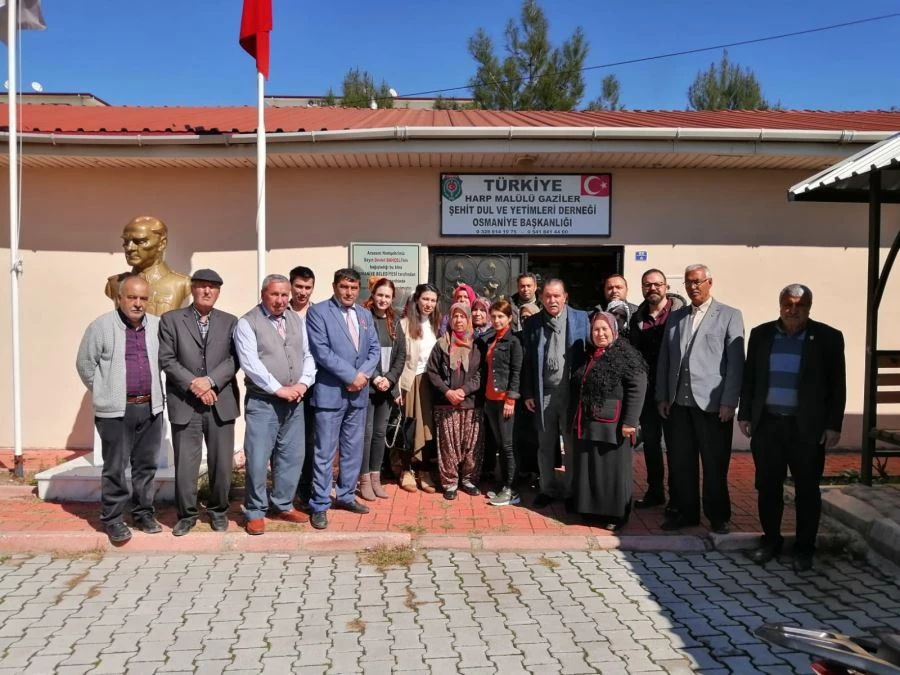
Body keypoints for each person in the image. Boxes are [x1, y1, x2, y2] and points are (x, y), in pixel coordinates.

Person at [738, 284, 845, 572]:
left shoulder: (828, 337)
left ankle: (804, 548)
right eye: (788, 304)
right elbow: (750, 378)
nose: (793, 310)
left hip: (807, 429)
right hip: (768, 425)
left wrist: (833, 425)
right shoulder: (761, 334)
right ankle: (770, 541)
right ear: (780, 304)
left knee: (807, 490)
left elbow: (838, 385)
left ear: (809, 306)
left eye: (800, 305)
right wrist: (745, 414)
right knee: (767, 487)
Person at [76, 274, 165, 544]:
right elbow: (85, 364)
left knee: (146, 466)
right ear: (119, 298)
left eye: (143, 298)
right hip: (116, 412)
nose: (138, 303)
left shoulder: (157, 326)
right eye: (132, 297)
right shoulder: (101, 326)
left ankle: (143, 513)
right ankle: (113, 518)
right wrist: (105, 391)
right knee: (115, 467)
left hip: (150, 408)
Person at [656, 264, 744, 534]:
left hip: (713, 405)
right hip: (679, 404)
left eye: (697, 281)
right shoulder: (676, 317)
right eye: (688, 282)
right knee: (682, 463)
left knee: (714, 464)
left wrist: (729, 401)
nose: (692, 287)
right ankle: (686, 513)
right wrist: (663, 395)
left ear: (709, 282)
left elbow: (736, 363)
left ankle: (718, 516)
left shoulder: (729, 315)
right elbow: (665, 358)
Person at [159, 269, 240, 536]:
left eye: (212, 287)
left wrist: (211, 381)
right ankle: (186, 515)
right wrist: (195, 384)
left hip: (220, 402)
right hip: (186, 403)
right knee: (186, 465)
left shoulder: (230, 322)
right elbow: (167, 359)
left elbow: (235, 359)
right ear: (192, 289)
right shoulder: (171, 320)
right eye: (202, 286)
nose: (207, 291)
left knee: (222, 464)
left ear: (219, 292)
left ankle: (218, 511)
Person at [233, 274, 316, 535]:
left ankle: (283, 504)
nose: (280, 300)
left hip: (295, 400)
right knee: (258, 458)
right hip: (263, 401)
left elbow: (308, 354)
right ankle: (255, 511)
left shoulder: (296, 320)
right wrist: (279, 389)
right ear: (263, 294)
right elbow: (250, 363)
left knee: (292, 456)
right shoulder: (248, 323)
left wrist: (303, 383)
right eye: (274, 294)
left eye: (284, 294)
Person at [306, 268, 380, 530]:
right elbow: (321, 351)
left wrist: (363, 376)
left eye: (353, 288)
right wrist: (351, 376)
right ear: (334, 287)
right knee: (325, 452)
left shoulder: (365, 314)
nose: (349, 292)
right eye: (344, 287)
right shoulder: (318, 312)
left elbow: (374, 349)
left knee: (352, 449)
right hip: (330, 393)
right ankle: (319, 503)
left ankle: (346, 495)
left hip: (358, 394)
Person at [571, 312, 647, 530]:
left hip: (614, 425)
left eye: (604, 329)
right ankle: (591, 510)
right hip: (589, 422)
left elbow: (638, 387)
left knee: (612, 471)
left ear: (614, 330)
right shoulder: (590, 353)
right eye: (596, 329)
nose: (600, 333)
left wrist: (630, 422)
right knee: (591, 469)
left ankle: (615, 515)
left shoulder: (626, 355)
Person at [521, 279, 590, 508]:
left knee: (571, 444)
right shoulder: (533, 323)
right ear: (541, 298)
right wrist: (529, 392)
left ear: (565, 296)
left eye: (557, 296)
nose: (552, 300)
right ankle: (547, 488)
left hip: (571, 392)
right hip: (545, 393)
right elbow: (528, 361)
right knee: (545, 443)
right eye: (548, 296)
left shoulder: (581, 318)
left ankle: (571, 492)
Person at [628, 269, 686, 511]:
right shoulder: (637, 317)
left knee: (675, 446)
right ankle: (655, 492)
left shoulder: (680, 315)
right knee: (651, 444)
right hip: (648, 391)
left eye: (657, 284)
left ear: (666, 286)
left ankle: (677, 497)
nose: (652, 288)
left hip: (674, 392)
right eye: (647, 284)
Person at [427, 303, 483, 500]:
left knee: (472, 444)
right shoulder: (441, 344)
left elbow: (481, 374)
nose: (458, 320)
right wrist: (448, 392)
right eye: (455, 316)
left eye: (462, 316)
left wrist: (463, 390)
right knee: (448, 445)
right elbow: (432, 372)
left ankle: (469, 479)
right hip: (446, 403)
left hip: (471, 403)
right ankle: (450, 482)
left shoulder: (478, 345)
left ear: (469, 319)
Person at [360, 278, 406, 500]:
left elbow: (401, 355)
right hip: (368, 387)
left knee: (379, 433)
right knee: (366, 434)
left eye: (387, 296)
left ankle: (376, 478)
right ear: (373, 294)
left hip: (386, 388)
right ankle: (364, 479)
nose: (383, 300)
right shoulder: (363, 318)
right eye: (380, 295)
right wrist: (376, 377)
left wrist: (390, 379)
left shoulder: (395, 321)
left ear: (392, 298)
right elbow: (361, 353)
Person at [397, 283, 442, 493]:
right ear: (417, 300)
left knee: (428, 426)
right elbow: (398, 359)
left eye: (433, 300)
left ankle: (424, 470)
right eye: (425, 299)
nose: (429, 304)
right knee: (409, 425)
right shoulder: (404, 324)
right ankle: (406, 469)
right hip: (411, 381)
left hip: (431, 382)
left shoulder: (437, 325)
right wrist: (397, 388)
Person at [105, 216, 192, 316]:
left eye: (140, 241)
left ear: (162, 244)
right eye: (126, 241)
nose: (129, 248)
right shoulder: (114, 283)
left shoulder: (182, 283)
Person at [481, 299, 524, 506]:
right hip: (491, 400)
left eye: (501, 316)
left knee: (508, 446)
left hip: (504, 400)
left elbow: (516, 372)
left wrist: (511, 399)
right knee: (499, 444)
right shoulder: (492, 339)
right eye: (494, 316)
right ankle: (503, 484)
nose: (496, 320)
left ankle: (511, 489)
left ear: (509, 318)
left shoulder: (513, 342)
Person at [288, 265, 317, 507]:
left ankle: (306, 490)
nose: (303, 292)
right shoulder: (280, 310)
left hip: (312, 387)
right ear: (291, 286)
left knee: (309, 440)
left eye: (308, 287)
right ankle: (284, 490)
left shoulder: (318, 313)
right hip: (285, 386)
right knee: (285, 442)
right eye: (298, 286)